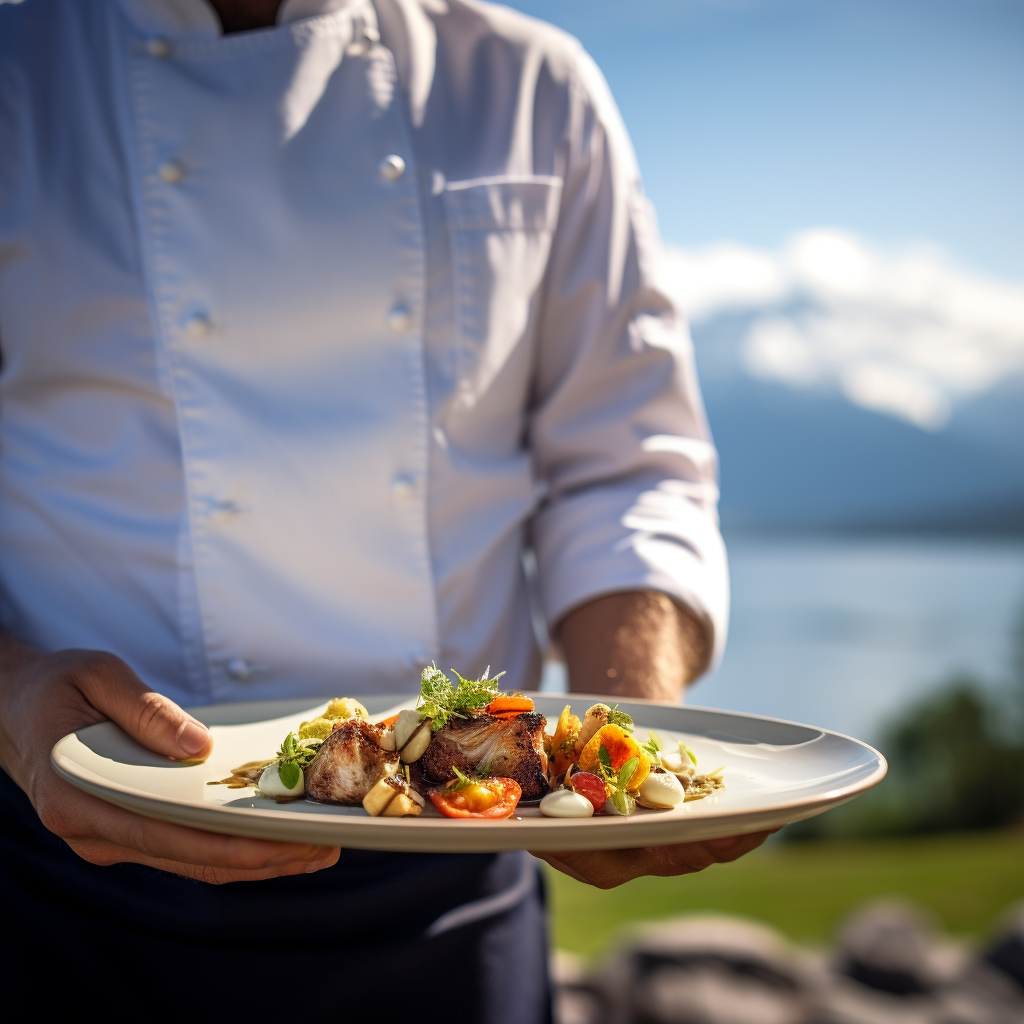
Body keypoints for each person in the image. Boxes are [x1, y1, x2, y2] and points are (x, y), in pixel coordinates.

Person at [0, 0, 770, 1019]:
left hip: (458, 876)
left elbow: (625, 467)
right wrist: (8, 695)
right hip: (56, 882)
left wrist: (611, 746)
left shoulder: (532, 85)